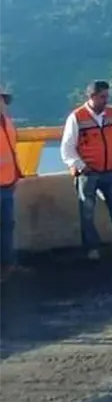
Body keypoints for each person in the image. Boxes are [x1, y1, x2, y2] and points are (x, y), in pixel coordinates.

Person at [60, 80, 112, 261]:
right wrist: (82, 167)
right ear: (92, 97)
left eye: (107, 96)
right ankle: (92, 249)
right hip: (88, 173)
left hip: (111, 171)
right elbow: (67, 148)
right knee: (87, 214)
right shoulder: (77, 117)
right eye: (102, 97)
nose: (106, 100)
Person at [0, 86, 23, 282]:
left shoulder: (7, 123)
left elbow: (11, 152)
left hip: (7, 185)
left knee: (8, 226)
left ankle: (8, 265)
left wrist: (16, 176)